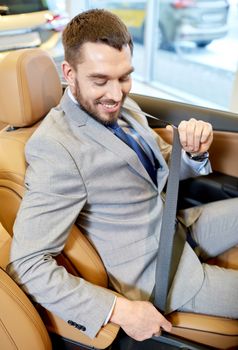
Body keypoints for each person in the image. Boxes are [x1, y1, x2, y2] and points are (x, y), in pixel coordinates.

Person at [7, 9, 238, 342]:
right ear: (69, 73)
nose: (116, 94)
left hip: (175, 225)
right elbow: (28, 264)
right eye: (100, 80)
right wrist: (119, 310)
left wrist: (193, 152)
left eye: (124, 77)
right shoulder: (56, 148)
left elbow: (160, 167)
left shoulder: (123, 107)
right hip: (156, 273)